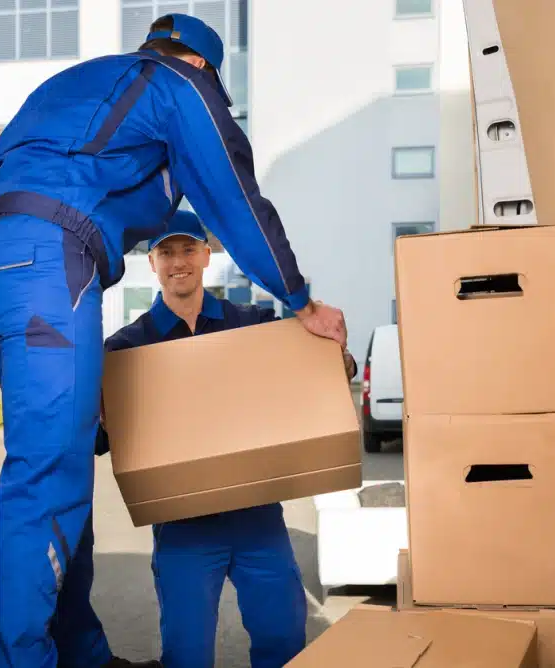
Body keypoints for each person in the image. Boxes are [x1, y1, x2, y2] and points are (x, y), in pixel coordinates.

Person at [0, 12, 349, 668]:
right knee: (46, 476)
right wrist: (298, 298)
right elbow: (234, 194)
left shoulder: (86, 85)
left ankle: (80, 653)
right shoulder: (177, 85)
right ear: (203, 68)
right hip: (51, 262)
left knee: (60, 460)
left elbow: (66, 183)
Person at [95, 211, 358, 668]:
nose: (179, 262)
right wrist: (96, 413)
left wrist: (340, 359)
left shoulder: (251, 324)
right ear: (152, 262)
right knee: (186, 655)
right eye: (167, 252)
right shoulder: (126, 350)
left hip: (258, 519)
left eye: (188, 249)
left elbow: (312, 375)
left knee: (284, 642)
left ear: (206, 255)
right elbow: (100, 439)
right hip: (184, 528)